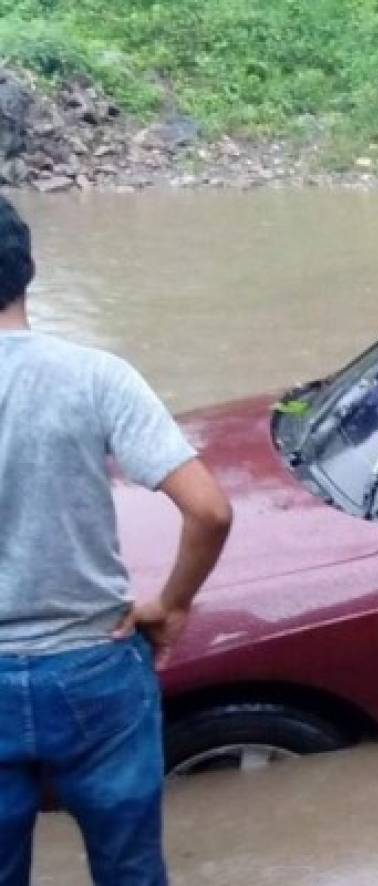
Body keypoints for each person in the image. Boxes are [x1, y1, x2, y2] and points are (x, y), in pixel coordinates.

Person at [0, 196, 232, 886]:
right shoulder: (97, 377)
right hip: (94, 665)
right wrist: (172, 603)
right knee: (130, 869)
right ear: (29, 270)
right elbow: (211, 512)